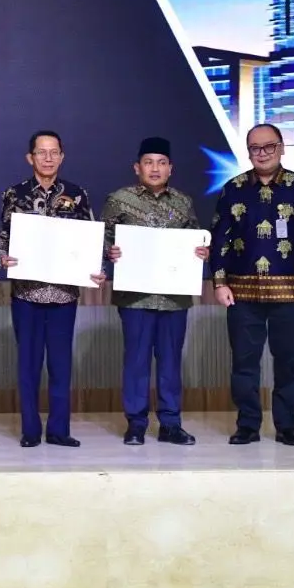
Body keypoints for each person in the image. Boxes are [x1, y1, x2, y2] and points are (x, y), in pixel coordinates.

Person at [208, 122, 294, 446]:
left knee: (288, 362)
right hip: (241, 294)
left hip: (291, 294)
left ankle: (287, 426)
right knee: (243, 363)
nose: (262, 153)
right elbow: (220, 239)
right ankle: (247, 425)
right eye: (255, 148)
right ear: (248, 152)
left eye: (269, 146)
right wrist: (219, 282)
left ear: (281, 148)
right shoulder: (233, 189)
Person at [0, 129, 103, 448]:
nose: (48, 157)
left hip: (63, 294)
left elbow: (90, 239)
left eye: (54, 152)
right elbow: (3, 237)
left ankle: (59, 430)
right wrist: (2, 257)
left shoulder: (77, 193)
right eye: (41, 152)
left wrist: (97, 268)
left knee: (60, 364)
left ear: (62, 156)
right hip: (26, 294)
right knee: (27, 365)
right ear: (30, 157)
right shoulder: (14, 193)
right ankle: (30, 430)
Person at [102, 136, 209, 446]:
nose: (155, 168)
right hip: (135, 297)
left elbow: (196, 239)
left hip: (174, 298)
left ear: (170, 168)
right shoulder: (119, 199)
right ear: (137, 167)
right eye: (148, 162)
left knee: (170, 362)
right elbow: (102, 238)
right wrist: (110, 251)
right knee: (136, 362)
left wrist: (201, 252)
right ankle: (136, 424)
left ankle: (170, 424)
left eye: (161, 163)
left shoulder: (183, 202)